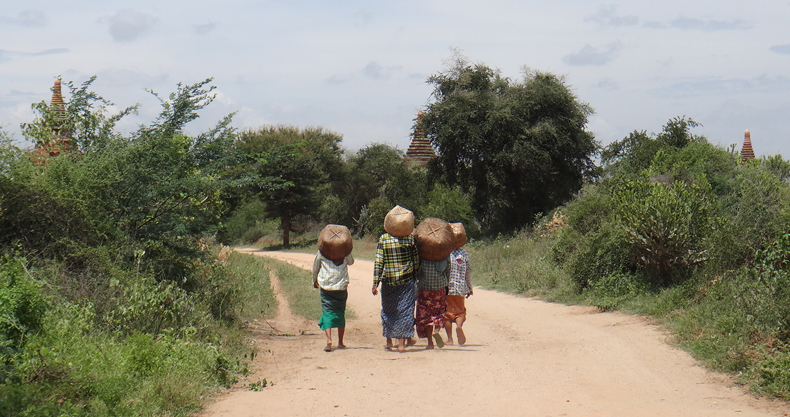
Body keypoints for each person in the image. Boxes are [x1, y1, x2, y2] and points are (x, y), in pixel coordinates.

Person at [372, 232, 420, 353]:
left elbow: (379, 262)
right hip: (407, 280)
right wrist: (415, 278)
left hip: (389, 281)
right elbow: (415, 261)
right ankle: (402, 344)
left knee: (388, 309)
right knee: (405, 310)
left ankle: (389, 341)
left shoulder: (384, 238)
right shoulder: (409, 238)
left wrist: (375, 283)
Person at [313, 251, 354, 352]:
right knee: (340, 312)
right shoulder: (344, 250)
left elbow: (315, 267)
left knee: (327, 311)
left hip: (326, 286)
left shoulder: (322, 251)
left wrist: (314, 280)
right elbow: (351, 262)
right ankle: (340, 342)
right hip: (341, 287)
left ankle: (329, 340)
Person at [444, 229, 472, 346]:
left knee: (447, 314)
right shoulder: (465, 254)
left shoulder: (445, 254)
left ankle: (450, 339)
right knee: (460, 312)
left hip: (448, 288)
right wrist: (469, 287)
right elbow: (467, 273)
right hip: (460, 288)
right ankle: (459, 326)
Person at [415, 256, 450, 349]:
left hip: (424, 289)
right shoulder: (444, 255)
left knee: (425, 316)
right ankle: (437, 330)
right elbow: (448, 272)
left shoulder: (423, 255)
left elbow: (417, 271)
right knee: (440, 312)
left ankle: (430, 343)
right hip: (440, 288)